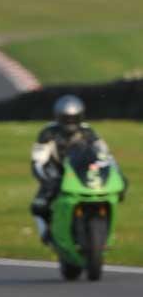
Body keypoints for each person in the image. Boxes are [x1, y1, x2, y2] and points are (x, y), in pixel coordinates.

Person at [30, 95, 116, 243]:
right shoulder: (48, 132)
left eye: (73, 118)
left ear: (80, 116)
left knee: (108, 196)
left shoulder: (88, 132)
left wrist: (116, 173)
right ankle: (46, 233)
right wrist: (47, 180)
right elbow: (38, 160)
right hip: (57, 173)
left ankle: (104, 233)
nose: (70, 123)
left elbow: (105, 155)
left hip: (83, 173)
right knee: (38, 206)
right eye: (66, 118)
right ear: (58, 116)